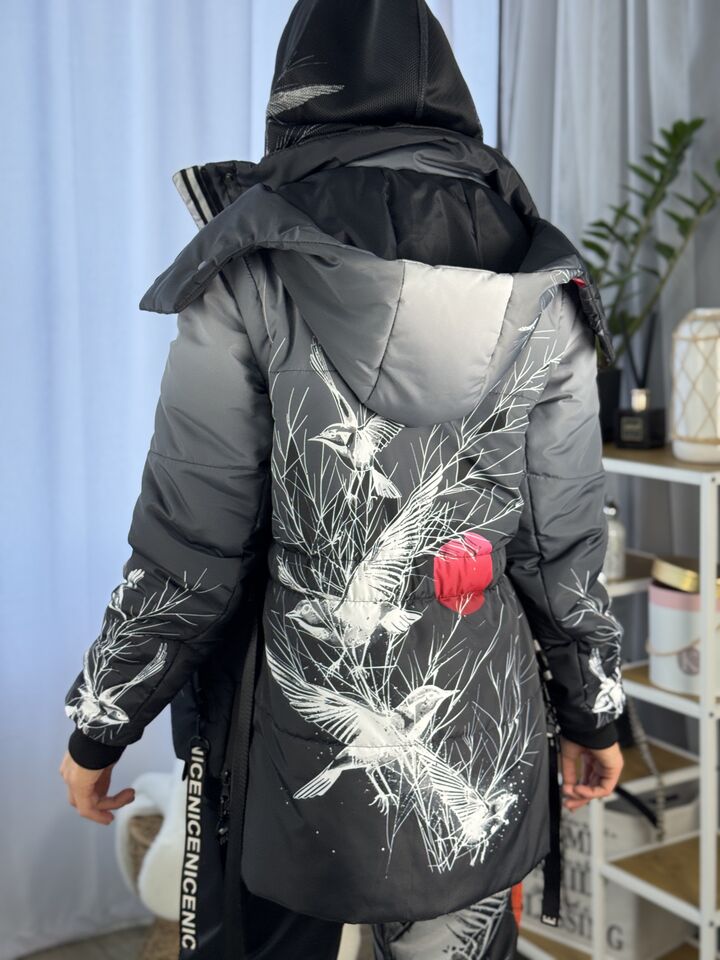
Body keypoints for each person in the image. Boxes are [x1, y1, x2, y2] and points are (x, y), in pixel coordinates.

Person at [60, 2, 625, 957]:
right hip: (476, 737)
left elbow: (190, 547)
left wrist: (101, 723)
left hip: (280, 740)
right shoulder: (545, 281)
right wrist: (593, 710)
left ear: (295, 93)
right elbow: (560, 545)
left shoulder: (249, 266)